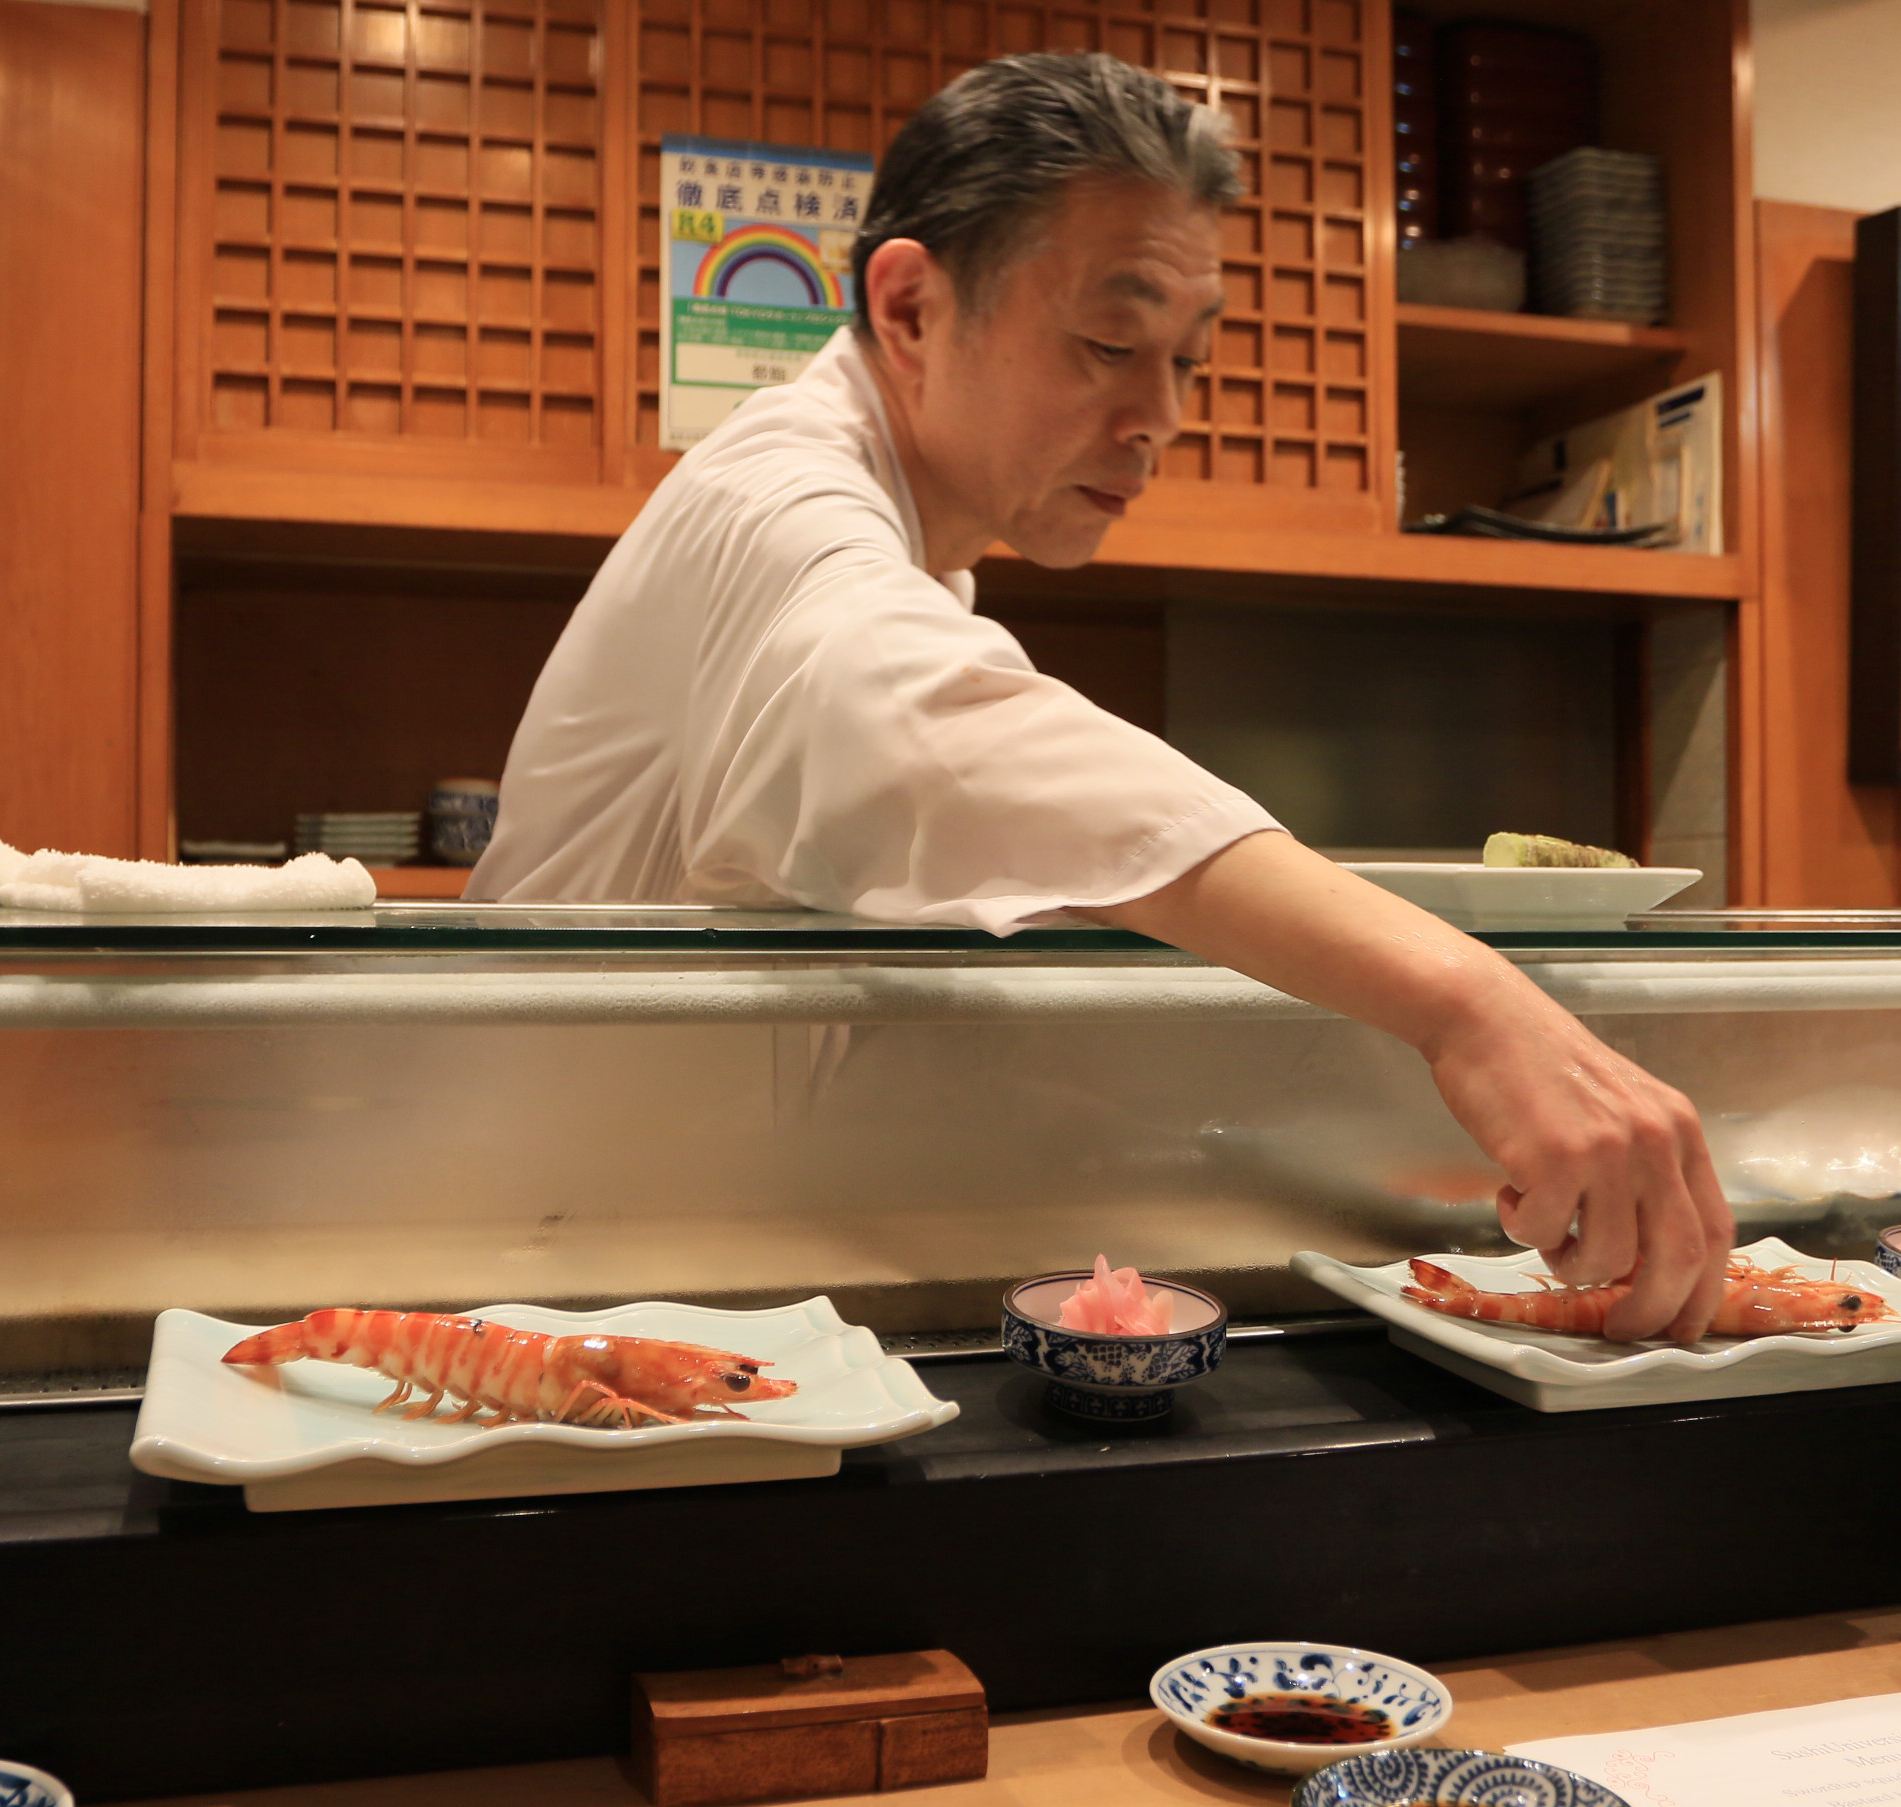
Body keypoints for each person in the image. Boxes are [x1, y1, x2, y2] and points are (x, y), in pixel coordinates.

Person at [466, 52, 1733, 1342]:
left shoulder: (910, 543)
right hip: (512, 1262)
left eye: (1185, 359)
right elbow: (917, 715)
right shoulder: (778, 497)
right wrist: (1470, 1005)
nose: (1158, 416)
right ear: (910, 308)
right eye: (1110, 345)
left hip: (638, 1256)